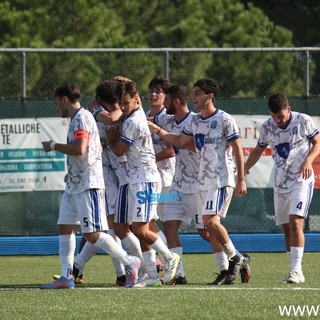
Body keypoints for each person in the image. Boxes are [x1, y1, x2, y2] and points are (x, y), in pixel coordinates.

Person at [40, 83, 141, 289]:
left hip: (89, 184)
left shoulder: (82, 118)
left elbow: (80, 148)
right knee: (65, 227)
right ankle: (67, 276)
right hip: (75, 184)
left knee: (92, 235)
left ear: (65, 99)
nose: (56, 106)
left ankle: (130, 262)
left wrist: (52, 146)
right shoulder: (76, 119)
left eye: (57, 102)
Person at [148, 78, 248, 284]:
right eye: (192, 94)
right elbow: (178, 140)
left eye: (197, 94)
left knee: (207, 229)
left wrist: (241, 179)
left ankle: (234, 259)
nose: (194, 98)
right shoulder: (186, 121)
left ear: (209, 96)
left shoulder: (223, 119)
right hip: (179, 185)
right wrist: (158, 130)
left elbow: (237, 148)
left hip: (209, 182)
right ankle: (179, 274)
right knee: (170, 225)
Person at [106, 80, 180, 287]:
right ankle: (152, 275)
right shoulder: (132, 114)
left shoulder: (133, 121)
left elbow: (119, 151)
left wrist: (111, 141)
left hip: (145, 179)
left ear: (135, 99)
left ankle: (169, 257)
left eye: (126, 102)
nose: (122, 106)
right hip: (132, 179)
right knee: (125, 228)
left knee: (141, 228)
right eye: (120, 102)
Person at [244, 92, 320, 284]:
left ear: (288, 109)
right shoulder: (268, 126)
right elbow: (259, 150)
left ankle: (297, 271)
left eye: (281, 116)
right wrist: (244, 169)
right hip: (280, 183)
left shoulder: (303, 120)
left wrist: (308, 161)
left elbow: (317, 143)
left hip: (302, 180)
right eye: (274, 116)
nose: (278, 120)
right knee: (286, 228)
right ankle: (292, 269)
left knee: (296, 222)